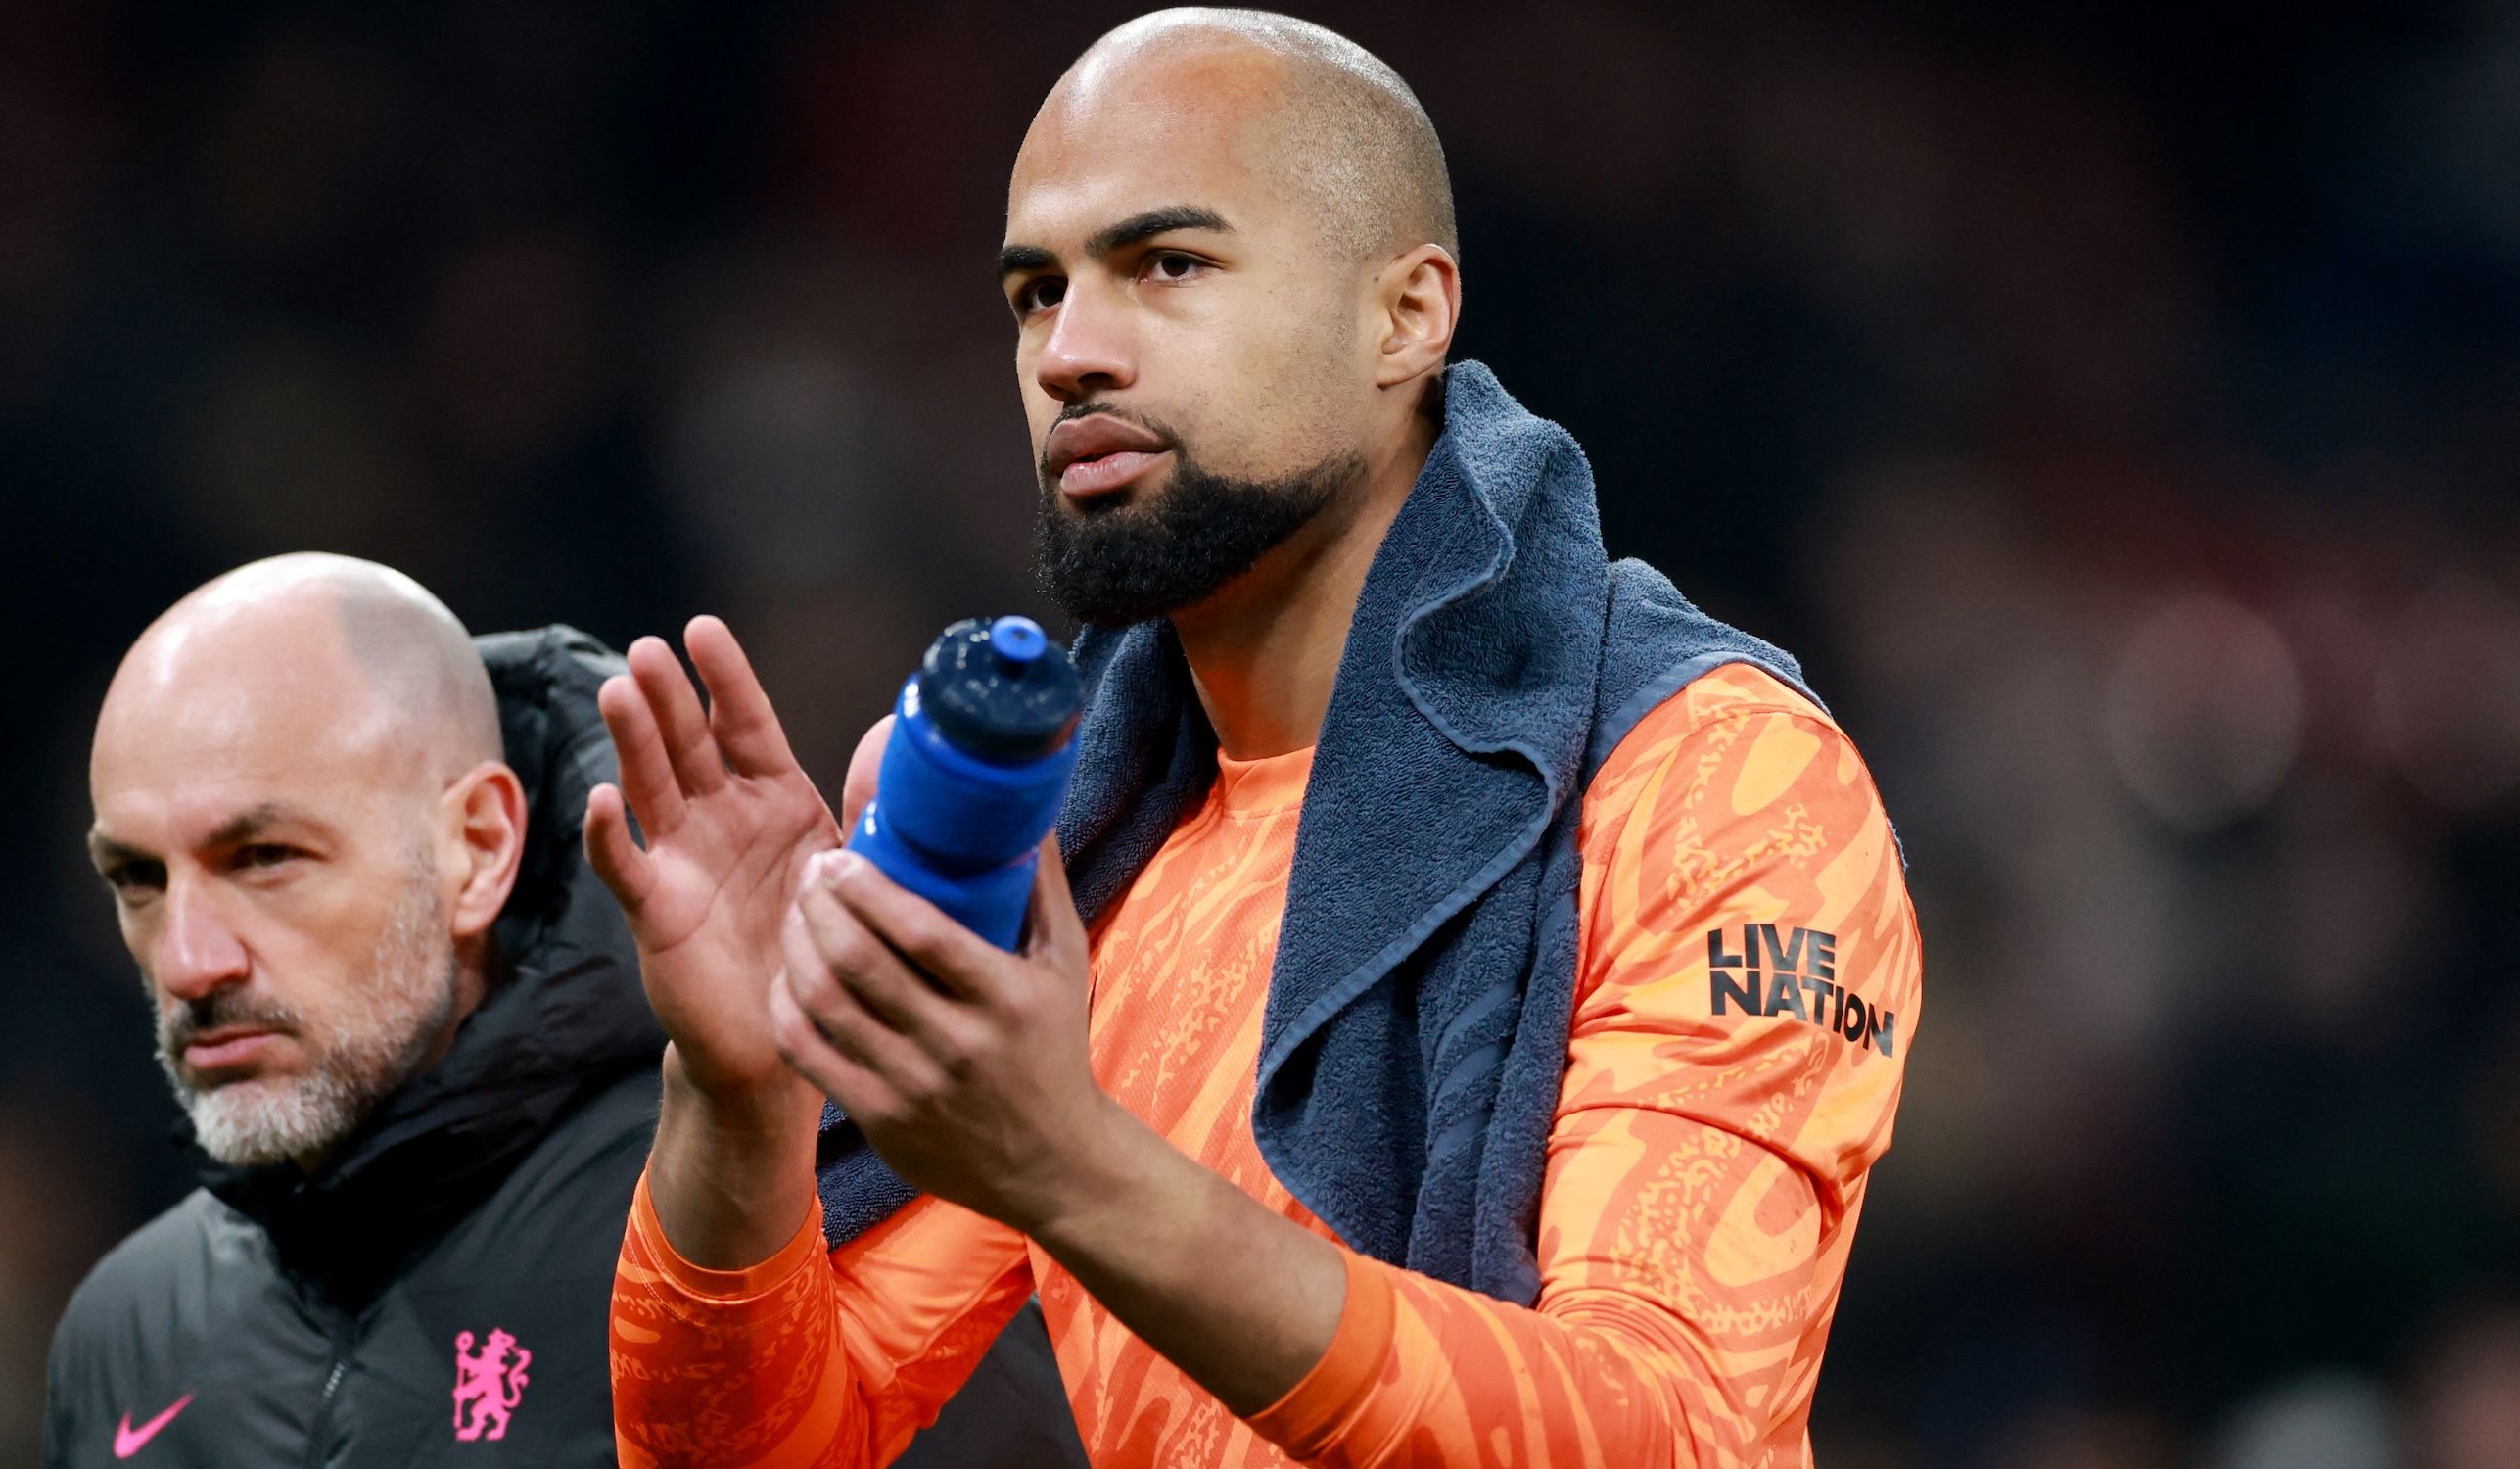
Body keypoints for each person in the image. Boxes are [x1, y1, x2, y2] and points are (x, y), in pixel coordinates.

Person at [598, 10, 1923, 1468]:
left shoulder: (1708, 778)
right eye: (1036, 293)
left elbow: (1673, 1434)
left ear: (1407, 316)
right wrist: (737, 1104)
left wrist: (1073, 1167)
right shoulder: (1087, 841)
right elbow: (762, 1450)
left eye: (1167, 265)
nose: (1069, 356)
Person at [42, 553, 668, 1466]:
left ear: (477, 849)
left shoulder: (727, 1230)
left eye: (263, 857)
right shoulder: (124, 1332)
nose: (188, 962)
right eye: (138, 878)